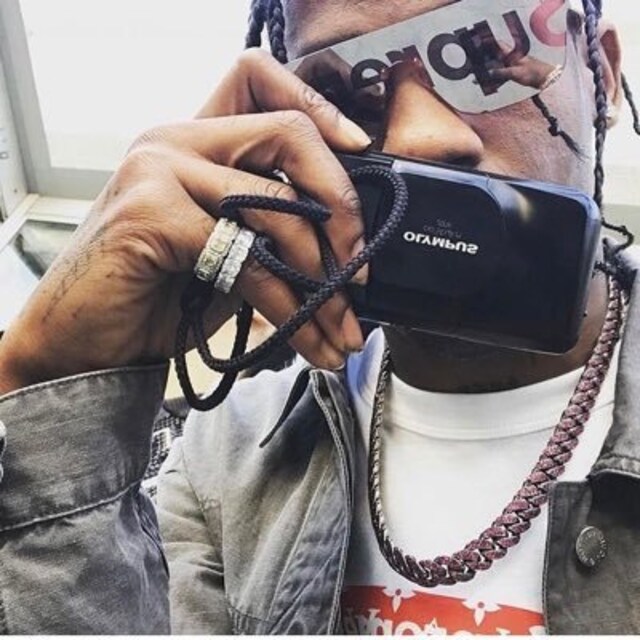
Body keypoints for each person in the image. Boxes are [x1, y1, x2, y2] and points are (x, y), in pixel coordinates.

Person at [0, 0, 639, 634]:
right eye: (350, 89)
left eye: (486, 51)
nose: (420, 139)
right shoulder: (224, 456)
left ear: (603, 77)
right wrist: (52, 386)